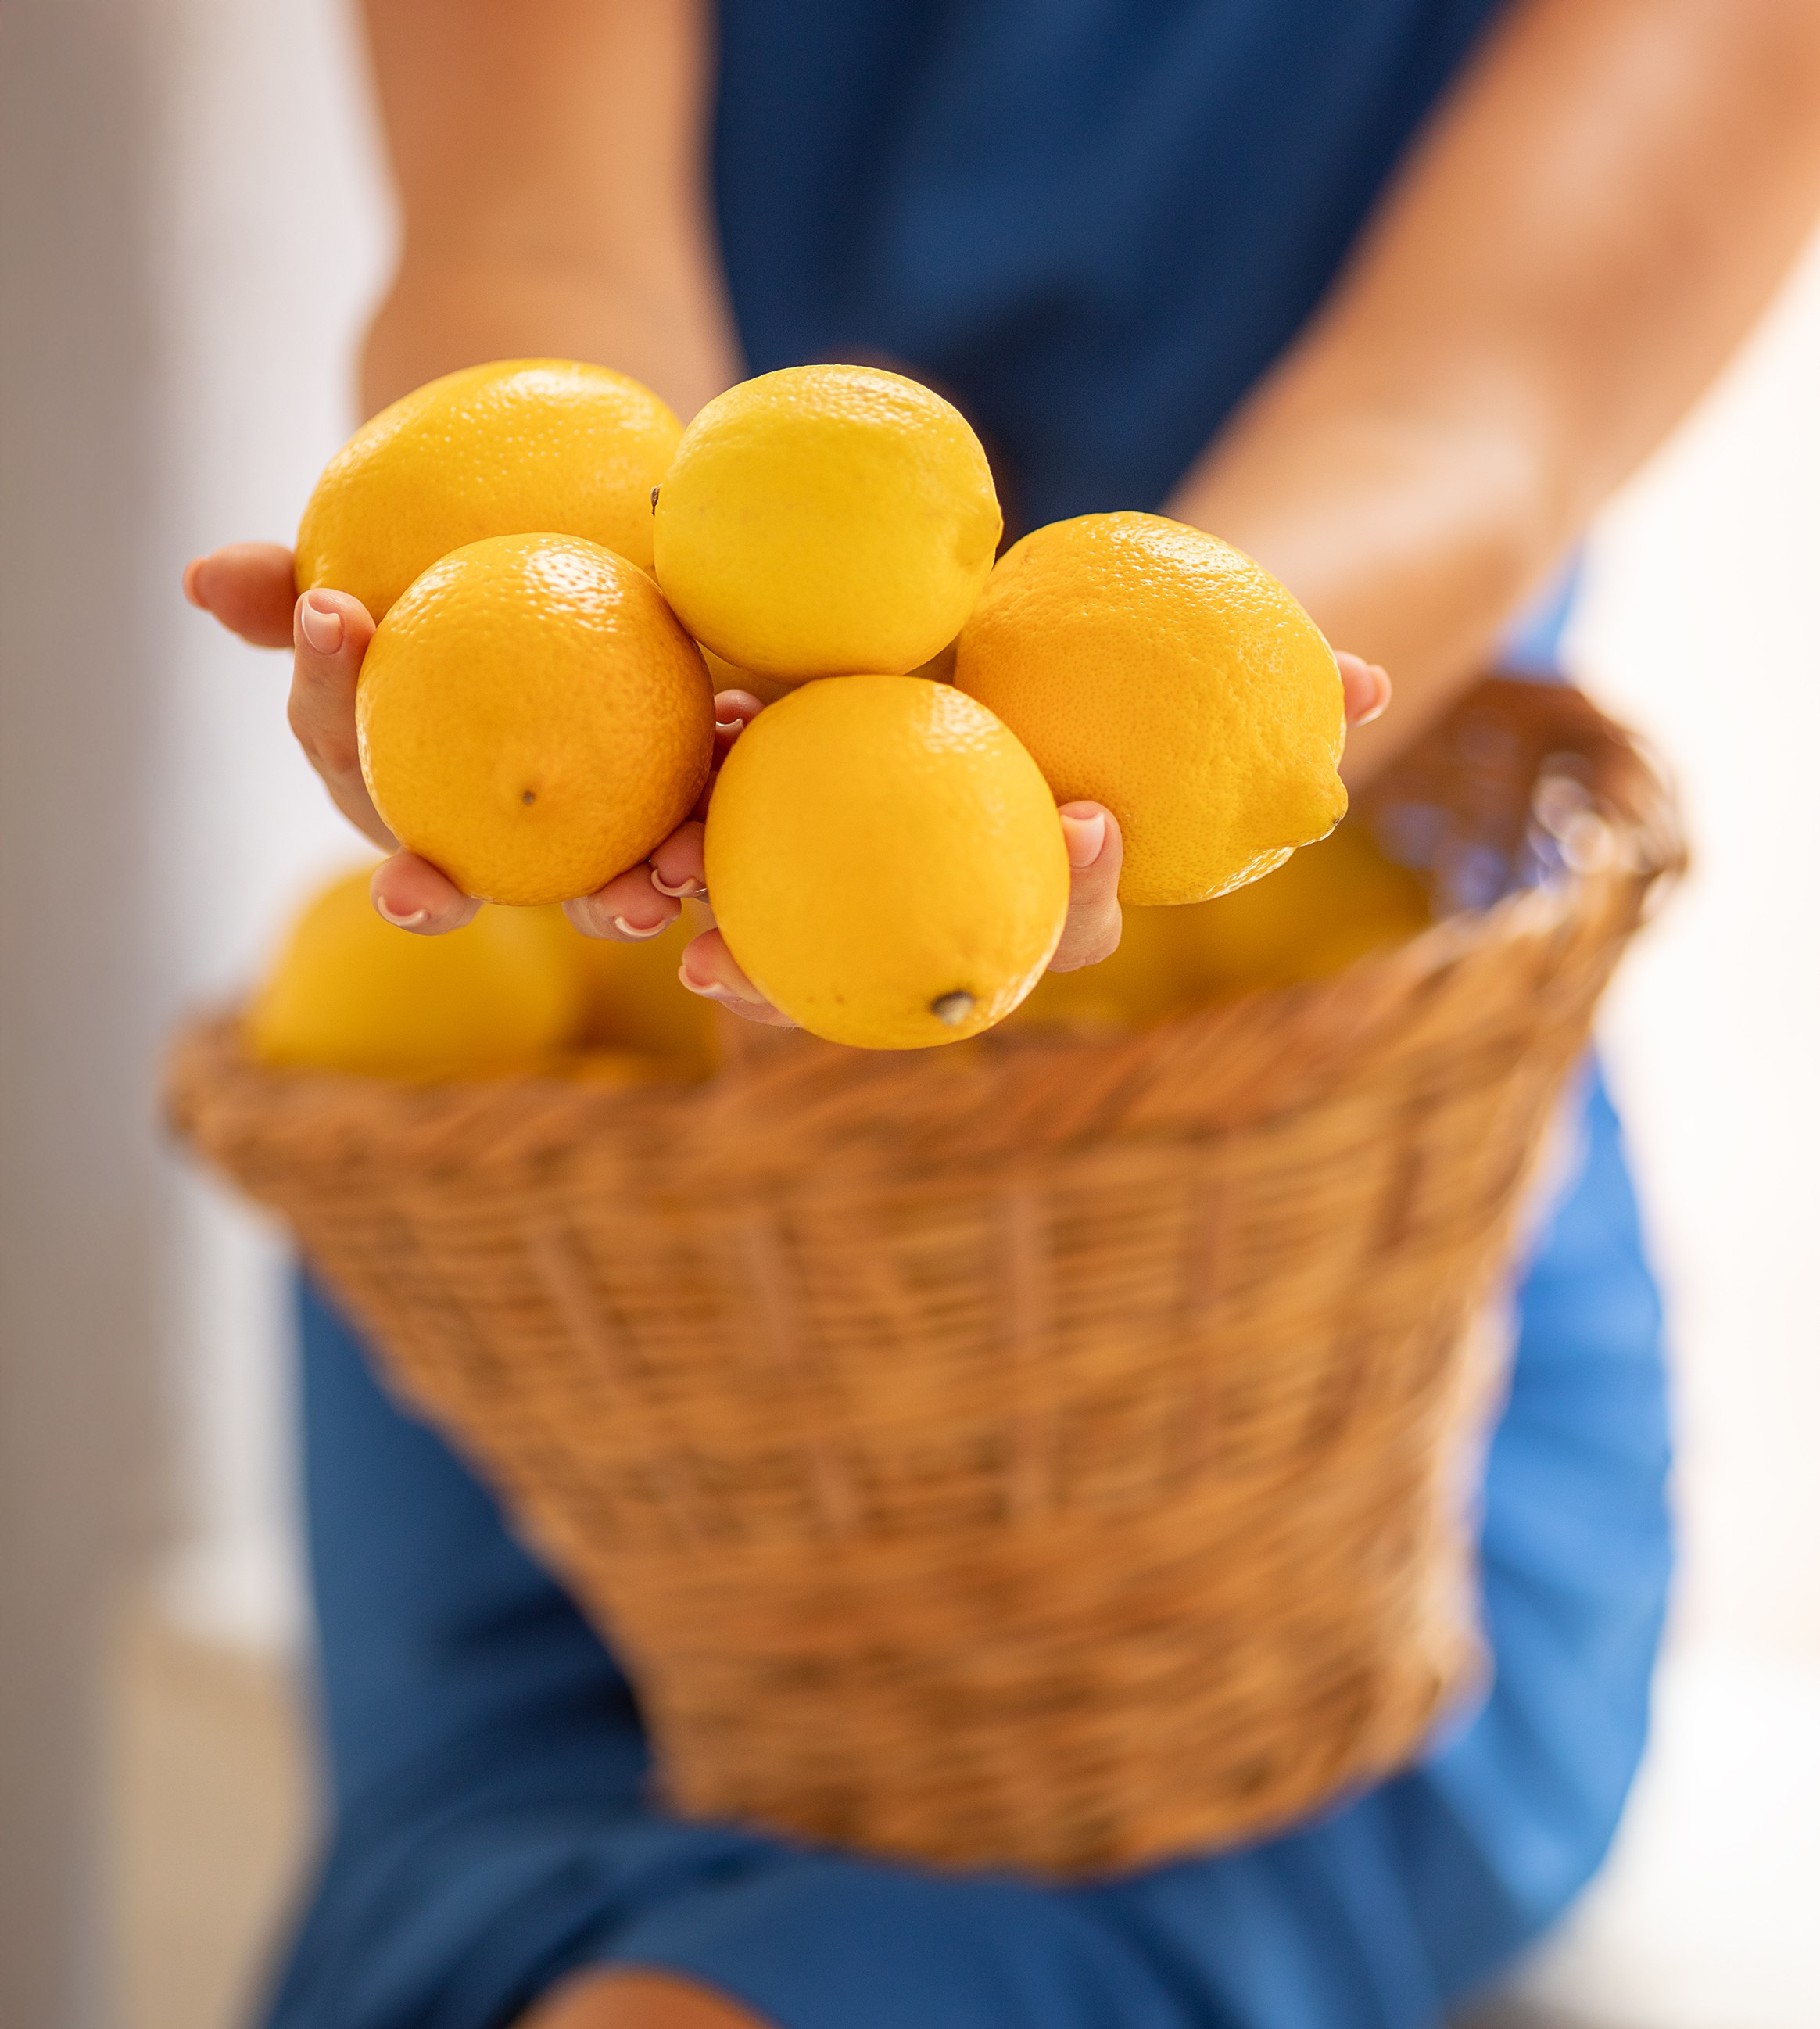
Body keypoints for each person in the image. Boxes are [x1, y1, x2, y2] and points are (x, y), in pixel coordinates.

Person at [183, 3, 1820, 2024]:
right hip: (592, 1194)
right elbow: (534, 260)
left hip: (1293, 1256)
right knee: (492, 1899)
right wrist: (566, 672)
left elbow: (1456, 430)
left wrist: (1022, 769)